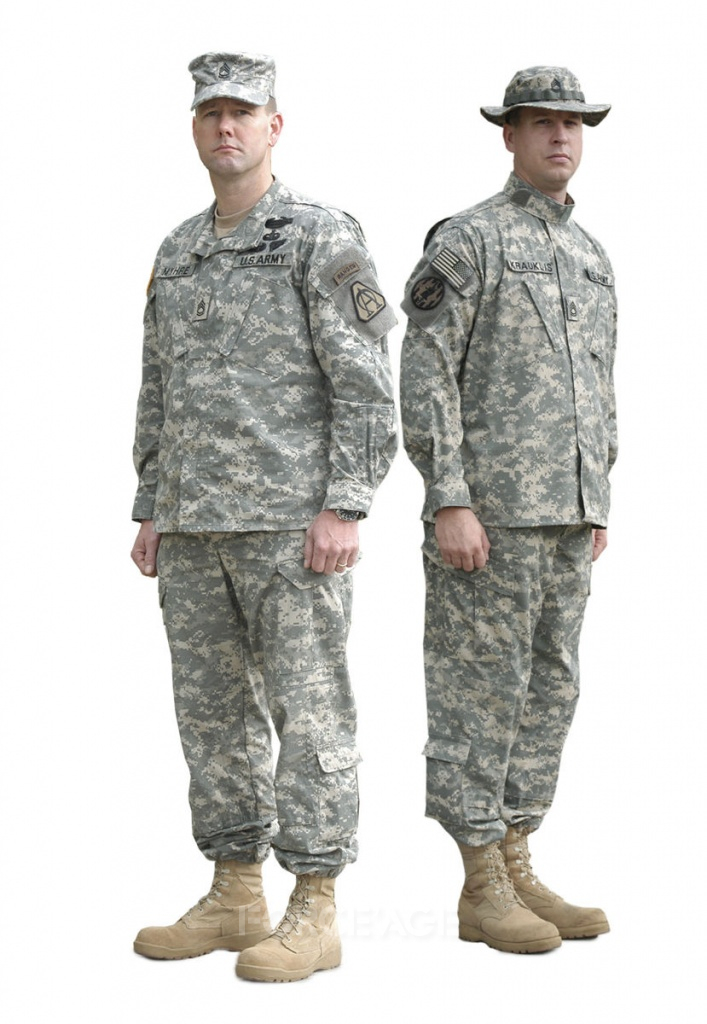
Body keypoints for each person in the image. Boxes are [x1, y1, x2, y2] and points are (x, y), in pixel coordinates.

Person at [130, 51, 396, 983]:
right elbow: (158, 387)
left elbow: (365, 382)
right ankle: (235, 889)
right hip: (194, 526)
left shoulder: (320, 234)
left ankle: (315, 905)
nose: (225, 127)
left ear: (274, 126)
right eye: (211, 113)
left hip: (291, 526)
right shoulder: (178, 250)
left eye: (242, 112)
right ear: (194, 129)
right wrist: (151, 505)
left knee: (309, 714)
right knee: (212, 717)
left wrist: (345, 502)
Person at [399, 66, 617, 954]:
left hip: (566, 514)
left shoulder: (590, 255)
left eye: (572, 123)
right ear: (509, 135)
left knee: (549, 687)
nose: (560, 137)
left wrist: (598, 494)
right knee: (477, 692)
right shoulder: (469, 241)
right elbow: (425, 373)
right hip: (488, 518)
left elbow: (600, 383)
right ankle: (479, 878)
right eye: (541, 123)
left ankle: (517, 854)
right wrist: (448, 497)